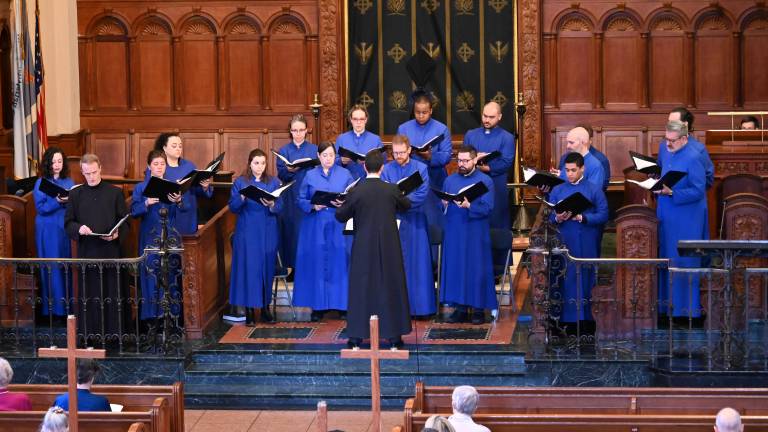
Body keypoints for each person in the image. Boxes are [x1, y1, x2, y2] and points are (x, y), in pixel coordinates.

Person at [336, 150, 412, 348]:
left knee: (361, 289)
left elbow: (341, 216)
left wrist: (341, 204)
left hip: (363, 246)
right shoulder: (391, 189)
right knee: (390, 286)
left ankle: (356, 337)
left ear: (364, 167)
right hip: (389, 247)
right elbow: (406, 205)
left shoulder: (357, 191)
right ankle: (394, 336)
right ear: (382, 168)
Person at [64, 154, 130, 343]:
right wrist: (79, 228)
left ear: (100, 168)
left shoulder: (115, 192)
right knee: (91, 296)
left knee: (112, 293)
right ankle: (91, 335)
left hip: (111, 252)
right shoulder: (75, 194)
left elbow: (125, 222)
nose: (91, 177)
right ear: (82, 173)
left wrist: (117, 234)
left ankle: (115, 335)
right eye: (87, 174)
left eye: (94, 172)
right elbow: (68, 223)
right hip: (88, 252)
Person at [293, 142, 355, 322]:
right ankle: (317, 307)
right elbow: (300, 199)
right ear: (319, 157)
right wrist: (313, 205)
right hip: (316, 224)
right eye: (324, 155)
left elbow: (352, 197)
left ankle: (343, 306)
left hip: (338, 224)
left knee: (340, 263)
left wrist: (344, 202)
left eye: (331, 155)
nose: (328, 158)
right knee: (317, 263)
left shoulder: (345, 174)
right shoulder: (310, 175)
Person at [549, 152, 609, 326]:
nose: (569, 174)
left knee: (585, 276)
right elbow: (549, 215)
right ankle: (565, 318)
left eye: (573, 170)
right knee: (565, 278)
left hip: (587, 240)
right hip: (564, 239)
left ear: (582, 169)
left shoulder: (593, 189)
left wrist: (582, 218)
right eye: (566, 170)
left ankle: (587, 319)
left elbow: (604, 214)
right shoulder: (558, 189)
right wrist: (557, 218)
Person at [657, 120, 707, 322]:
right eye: (666, 139)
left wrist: (673, 192)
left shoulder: (694, 157)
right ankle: (667, 307)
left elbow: (698, 189)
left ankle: (687, 311)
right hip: (667, 213)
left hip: (686, 217)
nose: (668, 145)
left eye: (672, 141)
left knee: (684, 260)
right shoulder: (667, 151)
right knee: (667, 257)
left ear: (684, 138)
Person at [440, 146, 495, 325]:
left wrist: (470, 206)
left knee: (476, 269)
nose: (462, 164)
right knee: (457, 268)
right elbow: (444, 206)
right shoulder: (450, 180)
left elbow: (488, 208)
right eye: (459, 161)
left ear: (474, 161)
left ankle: (478, 309)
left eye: (465, 161)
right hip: (455, 230)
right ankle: (460, 308)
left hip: (475, 231)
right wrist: (444, 203)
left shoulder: (485, 181)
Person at [381, 135, 435, 318]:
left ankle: (420, 308)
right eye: (395, 153)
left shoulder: (421, 168)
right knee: (396, 265)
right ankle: (396, 309)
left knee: (417, 264)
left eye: (402, 152)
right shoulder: (387, 169)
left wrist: (401, 200)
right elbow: (384, 192)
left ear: (409, 150)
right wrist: (396, 200)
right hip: (394, 221)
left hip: (415, 220)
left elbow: (422, 193)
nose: (398, 156)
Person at [229, 149, 284, 325]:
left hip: (268, 230)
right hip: (248, 232)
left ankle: (266, 308)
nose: (259, 167)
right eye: (256, 163)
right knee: (250, 271)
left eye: (262, 163)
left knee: (266, 269)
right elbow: (233, 207)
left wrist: (273, 204)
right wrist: (243, 197)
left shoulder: (274, 182)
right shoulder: (241, 182)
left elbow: (281, 207)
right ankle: (251, 310)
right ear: (249, 163)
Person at [131, 150, 186, 320]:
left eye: (162, 164)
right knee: (151, 274)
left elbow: (181, 210)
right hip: (150, 235)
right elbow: (133, 211)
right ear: (149, 166)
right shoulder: (141, 187)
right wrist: (146, 203)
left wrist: (178, 201)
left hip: (169, 234)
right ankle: (153, 317)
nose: (159, 167)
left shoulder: (171, 185)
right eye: (156, 164)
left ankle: (172, 315)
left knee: (170, 272)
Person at [462, 102, 514, 276]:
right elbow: (464, 153)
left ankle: (498, 268)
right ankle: (474, 264)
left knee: (496, 221)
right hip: (474, 181)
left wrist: (487, 168)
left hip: (496, 183)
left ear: (499, 117)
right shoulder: (471, 134)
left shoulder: (506, 137)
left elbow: (506, 161)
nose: (486, 120)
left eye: (491, 117)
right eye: (484, 116)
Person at [396, 93, 452, 230]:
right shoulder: (403, 129)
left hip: (435, 180)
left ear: (431, 111)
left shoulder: (442, 129)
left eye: (424, 112)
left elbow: (446, 156)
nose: (421, 115)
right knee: (411, 222)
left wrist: (430, 157)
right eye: (417, 112)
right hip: (410, 179)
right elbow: (397, 152)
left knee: (434, 222)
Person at [33, 147, 75, 317]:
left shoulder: (69, 182)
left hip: (64, 227)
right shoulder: (41, 182)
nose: (57, 165)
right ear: (47, 163)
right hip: (47, 228)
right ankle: (53, 310)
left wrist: (67, 200)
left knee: (66, 265)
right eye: (53, 162)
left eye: (60, 161)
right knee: (53, 267)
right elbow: (41, 208)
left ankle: (68, 308)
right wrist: (57, 201)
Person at [276, 114, 318, 269]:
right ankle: (293, 267)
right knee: (292, 230)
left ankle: (308, 266)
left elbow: (319, 170)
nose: (298, 133)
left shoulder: (314, 149)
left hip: (308, 193)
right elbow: (281, 174)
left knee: (307, 230)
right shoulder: (284, 150)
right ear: (290, 131)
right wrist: (289, 170)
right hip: (290, 194)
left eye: (301, 130)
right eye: (295, 130)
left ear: (307, 130)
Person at [152, 133, 213, 235]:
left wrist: (205, 187)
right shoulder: (157, 165)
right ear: (164, 148)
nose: (178, 148)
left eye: (180, 146)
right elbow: (151, 189)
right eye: (174, 146)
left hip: (187, 214)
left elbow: (196, 190)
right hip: (166, 213)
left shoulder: (189, 166)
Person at [660, 107, 714, 189]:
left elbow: (708, 180)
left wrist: (681, 190)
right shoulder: (664, 145)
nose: (670, 125)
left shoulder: (699, 149)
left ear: (685, 125)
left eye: (673, 122)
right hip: (664, 199)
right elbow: (660, 168)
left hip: (687, 199)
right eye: (669, 122)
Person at [335, 105, 383, 181]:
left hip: (368, 182)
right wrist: (341, 160)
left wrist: (370, 161)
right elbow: (332, 161)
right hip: (347, 181)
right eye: (355, 119)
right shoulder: (342, 138)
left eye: (361, 119)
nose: (358, 122)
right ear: (351, 120)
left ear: (366, 120)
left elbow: (383, 162)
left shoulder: (375, 139)